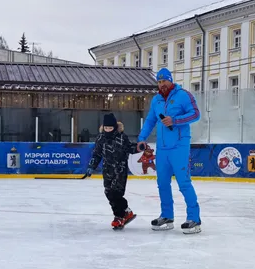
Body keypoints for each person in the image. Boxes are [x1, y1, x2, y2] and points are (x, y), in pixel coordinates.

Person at [137, 68, 202, 234]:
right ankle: (167, 215)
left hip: (180, 145)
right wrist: (142, 137)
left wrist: (176, 120)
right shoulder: (156, 100)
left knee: (184, 182)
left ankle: (194, 218)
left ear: (170, 80)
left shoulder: (183, 95)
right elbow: (151, 120)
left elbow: (195, 114)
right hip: (163, 147)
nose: (161, 85)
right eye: (158, 82)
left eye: (164, 81)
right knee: (162, 183)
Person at [86, 113, 145, 229]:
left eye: (110, 128)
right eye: (106, 128)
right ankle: (126, 211)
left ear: (115, 127)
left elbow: (130, 148)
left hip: (120, 170)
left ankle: (119, 216)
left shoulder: (122, 138)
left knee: (116, 193)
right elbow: (97, 154)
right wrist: (91, 166)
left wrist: (139, 148)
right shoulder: (100, 138)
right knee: (108, 192)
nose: (108, 130)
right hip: (107, 170)